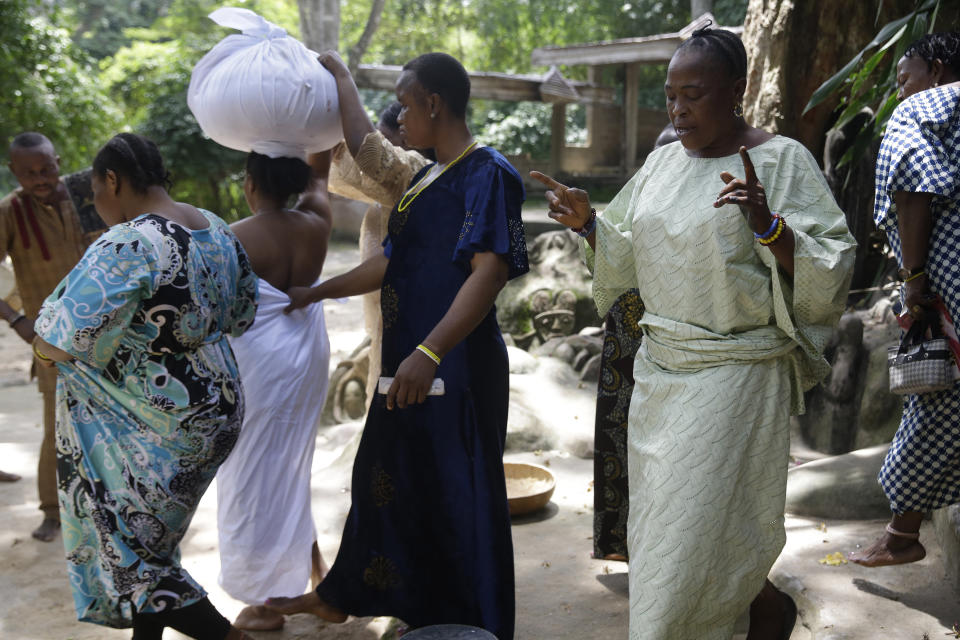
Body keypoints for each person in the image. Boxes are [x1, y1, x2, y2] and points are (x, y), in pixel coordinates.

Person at [531, 27, 855, 639]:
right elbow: (629, 256)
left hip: (736, 376)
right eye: (671, 94)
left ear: (738, 91)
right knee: (670, 537)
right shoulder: (660, 162)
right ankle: (764, 610)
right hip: (661, 375)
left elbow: (832, 265)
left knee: (690, 539)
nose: (678, 109)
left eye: (694, 94)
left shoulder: (782, 161)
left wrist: (769, 225)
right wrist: (590, 223)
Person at [265, 52, 528, 639]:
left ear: (434, 103)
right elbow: (391, 263)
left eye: (407, 106)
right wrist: (316, 292)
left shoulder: (489, 173)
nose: (402, 119)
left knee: (458, 489)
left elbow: (489, 272)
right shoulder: (426, 179)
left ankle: (470, 625)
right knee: (388, 474)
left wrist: (430, 351)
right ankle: (349, 595)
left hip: (455, 366)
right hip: (408, 362)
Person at [32, 133, 258, 640]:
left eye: (95, 192)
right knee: (151, 543)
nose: (97, 205)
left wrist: (46, 352)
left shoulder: (131, 241)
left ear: (112, 180)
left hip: (157, 424)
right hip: (217, 409)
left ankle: (229, 637)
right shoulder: (215, 228)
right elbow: (243, 312)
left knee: (134, 556)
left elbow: (60, 339)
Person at [849, 31, 960, 568]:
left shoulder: (921, 109)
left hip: (951, 285)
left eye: (903, 79)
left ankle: (901, 535)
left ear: (936, 70)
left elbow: (913, 186)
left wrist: (913, 280)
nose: (900, 93)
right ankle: (901, 533)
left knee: (937, 397)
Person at [215, 149, 333, 631]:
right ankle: (317, 575)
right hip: (305, 361)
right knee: (289, 469)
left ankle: (266, 601)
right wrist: (314, 149)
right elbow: (320, 176)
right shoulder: (318, 221)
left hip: (259, 370)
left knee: (254, 479)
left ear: (250, 183)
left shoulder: (233, 238)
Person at [0, 131, 103, 542]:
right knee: (55, 424)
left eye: (47, 169)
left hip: (107, 334)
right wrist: (15, 319)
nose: (41, 179)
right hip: (50, 340)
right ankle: (51, 510)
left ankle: (109, 504)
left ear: (58, 162)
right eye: (30, 173)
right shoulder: (9, 211)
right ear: (14, 172)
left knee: (113, 422)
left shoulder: (86, 195)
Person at [322, 50, 432, 405]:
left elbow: (371, 157)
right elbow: (350, 162)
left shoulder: (419, 177)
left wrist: (342, 77)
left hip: (422, 343)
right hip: (388, 333)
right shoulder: (384, 198)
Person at [593, 124, 676, 563]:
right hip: (628, 341)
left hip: (678, 348)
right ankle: (631, 550)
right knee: (623, 447)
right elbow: (609, 249)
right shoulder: (637, 201)